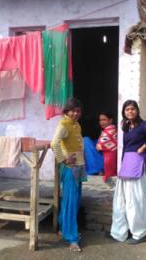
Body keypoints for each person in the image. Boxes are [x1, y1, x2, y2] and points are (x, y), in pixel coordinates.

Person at [110, 100, 146, 244]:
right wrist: (120, 166)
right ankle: (120, 233)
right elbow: (126, 147)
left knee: (135, 201)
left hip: (137, 165)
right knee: (121, 201)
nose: (130, 112)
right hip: (126, 165)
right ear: (124, 112)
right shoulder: (127, 128)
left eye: (132, 109)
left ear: (137, 110)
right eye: (127, 110)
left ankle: (140, 234)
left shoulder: (144, 125)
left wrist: (144, 146)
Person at [51, 98, 86, 252]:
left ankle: (63, 228)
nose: (76, 113)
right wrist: (63, 159)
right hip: (69, 168)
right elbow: (54, 143)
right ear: (67, 111)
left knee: (74, 200)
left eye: (78, 111)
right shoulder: (63, 124)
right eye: (73, 111)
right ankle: (72, 239)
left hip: (78, 167)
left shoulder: (76, 125)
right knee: (71, 202)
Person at [96, 111, 118, 183]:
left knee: (86, 142)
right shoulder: (109, 129)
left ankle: (97, 170)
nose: (101, 122)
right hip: (109, 155)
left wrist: (99, 145)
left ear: (110, 120)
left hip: (109, 155)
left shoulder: (110, 130)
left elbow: (100, 145)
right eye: (100, 120)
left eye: (104, 120)